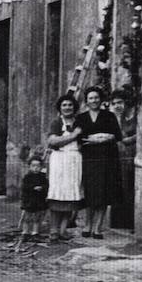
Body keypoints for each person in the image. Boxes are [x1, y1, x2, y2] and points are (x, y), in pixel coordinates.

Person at [75, 86, 123, 239]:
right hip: (89, 158)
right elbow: (79, 138)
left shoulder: (109, 115)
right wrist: (96, 139)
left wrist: (103, 138)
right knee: (90, 191)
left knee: (104, 191)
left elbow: (117, 135)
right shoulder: (81, 118)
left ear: (100, 99)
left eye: (96, 97)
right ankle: (87, 224)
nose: (94, 100)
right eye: (91, 98)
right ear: (87, 101)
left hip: (107, 158)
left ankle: (98, 227)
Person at [46, 93, 84, 243]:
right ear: (60, 108)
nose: (67, 108)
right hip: (59, 160)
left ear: (74, 107)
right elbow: (52, 141)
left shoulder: (79, 122)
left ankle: (63, 230)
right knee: (57, 193)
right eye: (64, 105)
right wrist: (73, 135)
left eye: (70, 105)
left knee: (71, 194)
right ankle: (53, 230)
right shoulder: (56, 122)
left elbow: (83, 140)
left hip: (74, 159)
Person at [109, 89, 138, 230]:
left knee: (133, 186)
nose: (116, 106)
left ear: (126, 102)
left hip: (134, 153)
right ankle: (121, 223)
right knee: (122, 186)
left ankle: (133, 222)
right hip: (122, 155)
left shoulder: (137, 115)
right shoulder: (118, 118)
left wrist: (128, 139)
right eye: (114, 103)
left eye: (119, 102)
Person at [19, 151, 50, 243]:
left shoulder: (43, 177)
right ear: (29, 166)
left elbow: (46, 186)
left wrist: (42, 188)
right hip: (29, 200)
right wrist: (33, 188)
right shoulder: (27, 177)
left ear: (41, 167)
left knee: (37, 217)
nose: (36, 168)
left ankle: (35, 232)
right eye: (33, 166)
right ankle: (25, 232)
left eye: (38, 166)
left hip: (39, 200)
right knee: (27, 217)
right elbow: (24, 187)